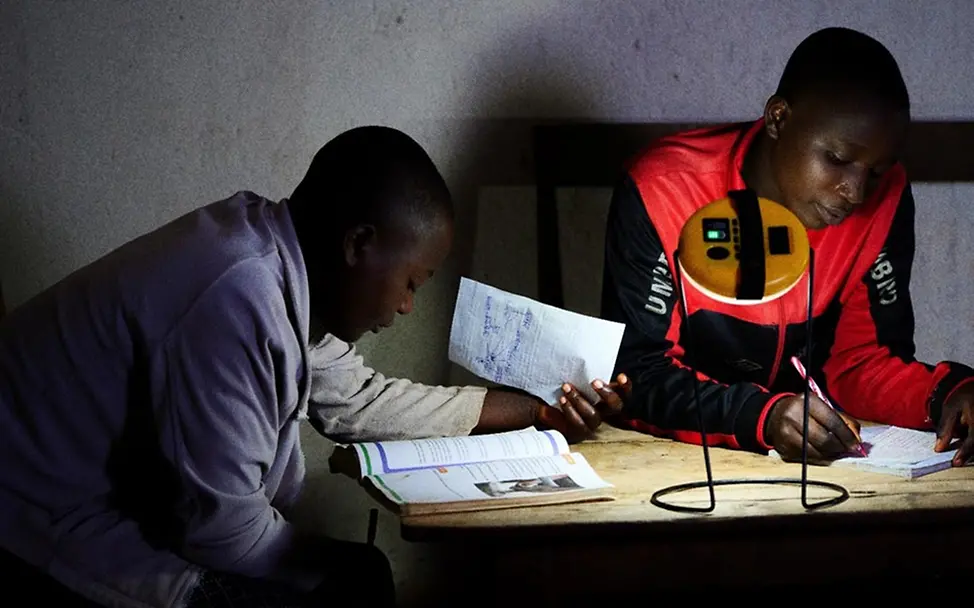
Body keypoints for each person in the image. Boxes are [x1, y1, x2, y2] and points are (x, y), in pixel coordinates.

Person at [0, 125, 628, 608]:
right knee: (353, 584)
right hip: (39, 525)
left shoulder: (272, 260)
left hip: (91, 507)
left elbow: (361, 400)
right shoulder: (235, 298)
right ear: (358, 244)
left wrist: (538, 411)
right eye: (411, 281)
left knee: (357, 576)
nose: (408, 307)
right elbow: (221, 535)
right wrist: (334, 567)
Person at [600, 27, 974, 466]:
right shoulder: (662, 189)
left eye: (875, 170)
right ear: (778, 118)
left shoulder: (884, 196)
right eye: (836, 159)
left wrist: (949, 393)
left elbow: (860, 365)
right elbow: (638, 376)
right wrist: (764, 415)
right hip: (673, 461)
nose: (855, 192)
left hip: (817, 466)